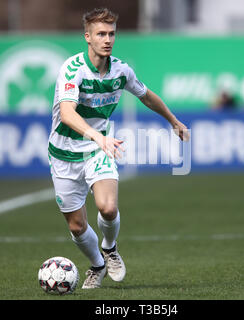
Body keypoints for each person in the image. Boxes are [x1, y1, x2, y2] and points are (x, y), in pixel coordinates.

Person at [48, 8, 189, 289]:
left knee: (108, 207)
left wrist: (172, 120)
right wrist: (95, 135)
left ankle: (110, 249)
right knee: (76, 226)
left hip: (99, 149)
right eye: (101, 33)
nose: (107, 39)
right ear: (87, 37)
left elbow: (146, 96)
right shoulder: (72, 70)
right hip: (64, 154)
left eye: (111, 33)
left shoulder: (121, 70)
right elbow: (67, 113)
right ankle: (97, 265)